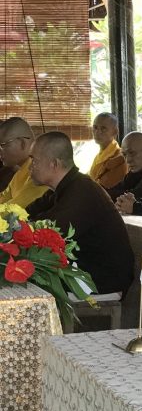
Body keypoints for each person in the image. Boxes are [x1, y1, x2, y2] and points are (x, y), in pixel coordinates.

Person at [26, 132, 134, 295]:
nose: (30, 167)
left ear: (54, 164)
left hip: (100, 279)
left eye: (34, 160)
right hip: (80, 270)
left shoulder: (82, 191)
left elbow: (47, 232)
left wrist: (20, 229)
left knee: (20, 277)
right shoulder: (65, 187)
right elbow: (25, 214)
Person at [0, 117, 48, 208]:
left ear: (22, 143)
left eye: (2, 145)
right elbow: (3, 199)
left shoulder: (41, 172)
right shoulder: (19, 173)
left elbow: (14, 210)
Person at [87, 112, 129, 189]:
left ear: (115, 132)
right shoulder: (99, 156)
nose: (97, 132)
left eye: (103, 128)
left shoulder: (119, 158)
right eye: (95, 127)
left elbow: (103, 188)